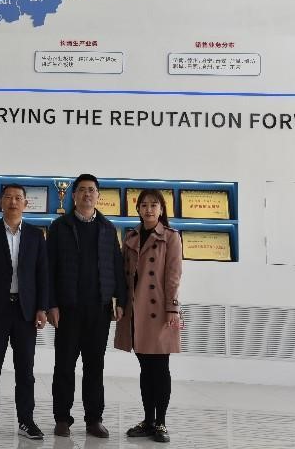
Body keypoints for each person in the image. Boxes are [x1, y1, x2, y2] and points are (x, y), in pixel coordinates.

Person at [47, 173, 127, 438]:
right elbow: (49, 269)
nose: (87, 194)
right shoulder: (59, 227)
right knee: (64, 366)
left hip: (99, 310)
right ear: (74, 195)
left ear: (98, 196)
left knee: (95, 366)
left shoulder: (107, 228)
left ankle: (94, 419)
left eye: (91, 190)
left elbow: (116, 267)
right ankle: (62, 418)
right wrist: (51, 304)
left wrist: (120, 300)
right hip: (68, 309)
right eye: (82, 189)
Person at [0, 184, 49, 440]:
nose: (13, 202)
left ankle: (26, 421)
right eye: (8, 197)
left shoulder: (36, 235)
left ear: (26, 203)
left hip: (26, 311)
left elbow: (42, 274)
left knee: (25, 371)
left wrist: (42, 308)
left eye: (18, 198)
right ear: (0, 202)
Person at [114, 189, 182, 443]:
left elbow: (173, 275)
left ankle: (161, 422)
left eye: (154, 205)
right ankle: (148, 420)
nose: (149, 209)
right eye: (144, 205)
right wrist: (120, 304)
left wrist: (172, 308)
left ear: (161, 210)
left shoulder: (171, 237)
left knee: (160, 368)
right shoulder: (131, 236)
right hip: (135, 311)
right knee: (145, 368)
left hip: (159, 311)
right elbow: (123, 276)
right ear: (138, 209)